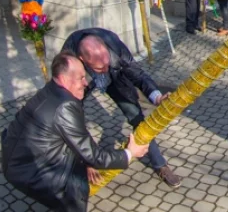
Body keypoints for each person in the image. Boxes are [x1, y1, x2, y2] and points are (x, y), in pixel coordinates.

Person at [2, 53, 149, 211]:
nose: (86, 83)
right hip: (28, 171)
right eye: (81, 78)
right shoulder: (66, 105)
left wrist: (86, 159)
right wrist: (129, 153)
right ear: (65, 79)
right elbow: (94, 156)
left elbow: (78, 137)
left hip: (15, 161)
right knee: (76, 188)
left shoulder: (51, 89)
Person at [61, 28, 182, 187]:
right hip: (83, 82)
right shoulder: (69, 63)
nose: (104, 70)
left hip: (116, 80)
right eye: (99, 68)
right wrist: (87, 160)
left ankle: (160, 165)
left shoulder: (114, 46)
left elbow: (137, 74)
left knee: (137, 118)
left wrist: (157, 96)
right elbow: (73, 119)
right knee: (73, 123)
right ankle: (76, 169)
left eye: (106, 63)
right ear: (82, 59)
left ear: (106, 48)